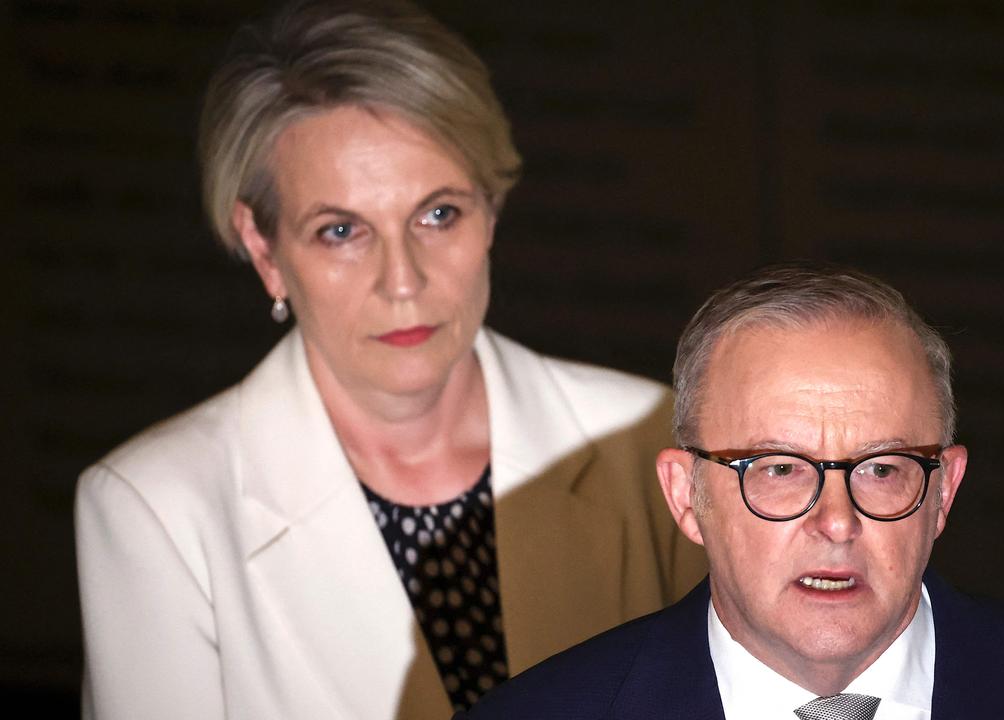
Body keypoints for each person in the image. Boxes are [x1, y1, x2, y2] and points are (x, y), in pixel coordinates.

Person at [73, 2, 704, 718]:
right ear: (263, 247)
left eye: (438, 214)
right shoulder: (155, 508)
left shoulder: (649, 437)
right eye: (340, 230)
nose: (402, 281)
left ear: (491, 208)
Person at [461, 262, 1004, 719]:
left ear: (943, 492)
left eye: (882, 468)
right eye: (779, 468)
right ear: (687, 497)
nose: (837, 522)